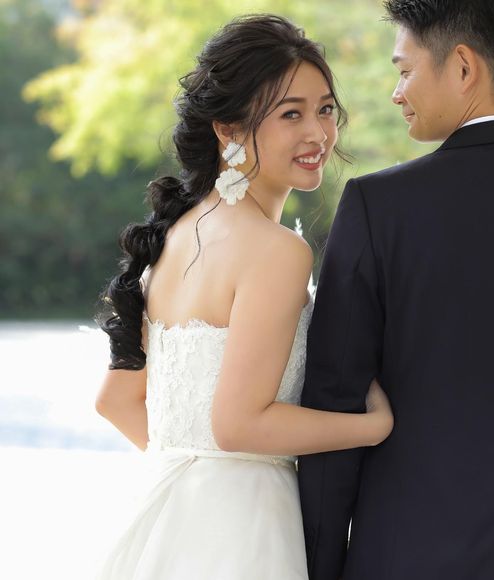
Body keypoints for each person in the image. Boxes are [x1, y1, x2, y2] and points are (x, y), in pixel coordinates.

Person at [94, 14, 393, 580]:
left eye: (325, 109)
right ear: (228, 130)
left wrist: (198, 473)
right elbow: (238, 425)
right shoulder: (276, 251)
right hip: (245, 529)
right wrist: (372, 427)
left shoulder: (174, 235)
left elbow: (117, 401)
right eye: (290, 114)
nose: (318, 133)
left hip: (166, 518)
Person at [298, 1, 494, 579]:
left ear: (463, 67)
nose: (396, 93)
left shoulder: (378, 208)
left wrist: (320, 568)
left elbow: (335, 401)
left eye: (405, 70)